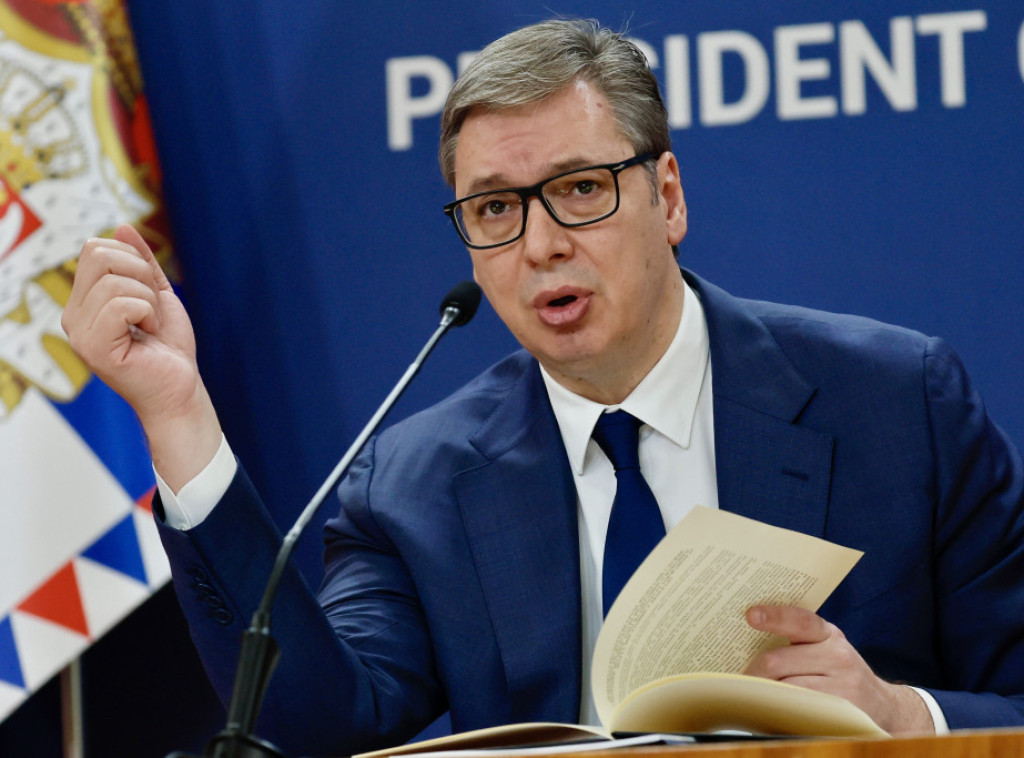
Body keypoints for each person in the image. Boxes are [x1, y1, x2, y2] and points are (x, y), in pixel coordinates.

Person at [61, 17, 1024, 758]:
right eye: (494, 209)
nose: (541, 244)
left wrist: (906, 715)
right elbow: (313, 725)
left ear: (668, 196)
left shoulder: (897, 404)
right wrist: (177, 414)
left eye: (580, 189)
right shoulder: (415, 486)